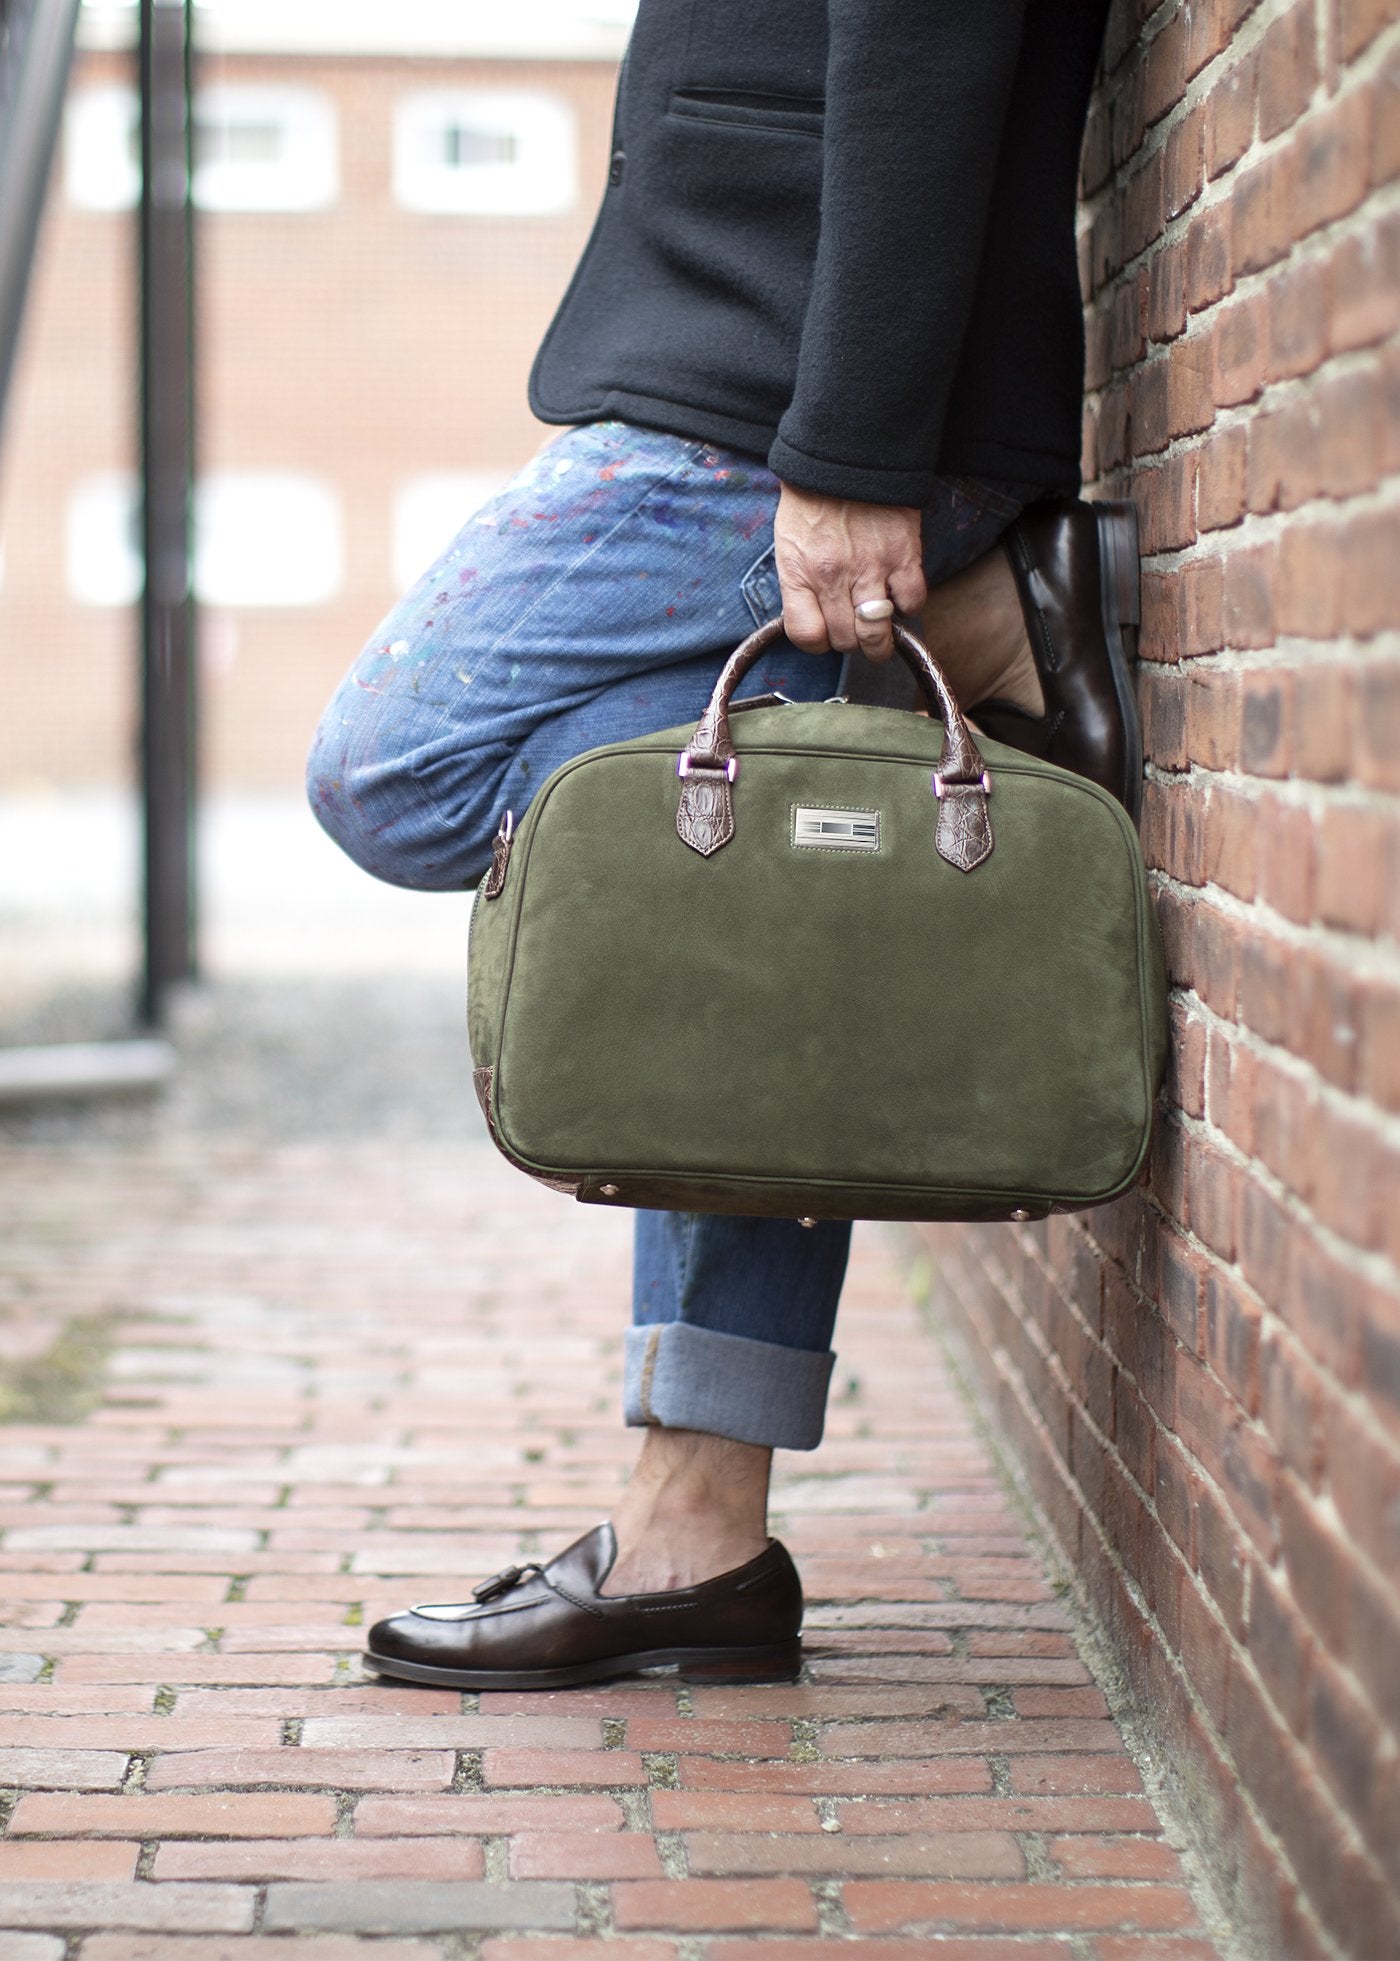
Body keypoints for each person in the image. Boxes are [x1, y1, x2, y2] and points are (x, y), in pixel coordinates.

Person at [307, 0, 1136, 1690]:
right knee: (746, 895)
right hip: (760, 357)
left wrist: (849, 449)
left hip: (771, 393)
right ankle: (702, 1529)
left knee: (388, 765)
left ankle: (987, 618)